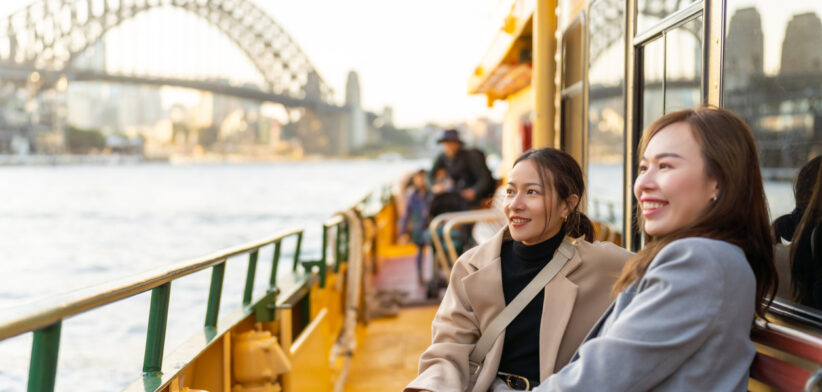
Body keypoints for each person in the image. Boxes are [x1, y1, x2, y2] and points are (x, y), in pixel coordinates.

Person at [533, 106, 777, 391]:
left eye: (665, 166)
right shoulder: (711, 256)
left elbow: (598, 380)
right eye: (643, 168)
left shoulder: (701, 261)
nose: (642, 185)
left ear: (718, 182)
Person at [405, 148, 632, 392]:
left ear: (567, 205)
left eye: (532, 192)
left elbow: (665, 275)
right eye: (510, 192)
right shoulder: (472, 267)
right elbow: (448, 352)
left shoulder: (602, 263)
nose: (515, 204)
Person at [430, 129, 495, 208]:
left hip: (473, 197)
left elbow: (484, 178)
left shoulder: (470, 156)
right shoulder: (442, 157)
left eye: (451, 143)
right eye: (446, 143)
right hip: (457, 194)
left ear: (457, 143)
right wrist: (434, 186)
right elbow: (430, 175)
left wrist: (474, 191)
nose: (448, 146)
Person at [399, 169, 433, 285]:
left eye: (424, 178)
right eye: (419, 178)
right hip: (418, 228)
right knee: (419, 252)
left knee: (434, 251)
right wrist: (403, 232)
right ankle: (420, 275)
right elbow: (405, 215)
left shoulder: (432, 195)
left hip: (430, 227)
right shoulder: (411, 197)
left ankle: (433, 276)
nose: (421, 181)